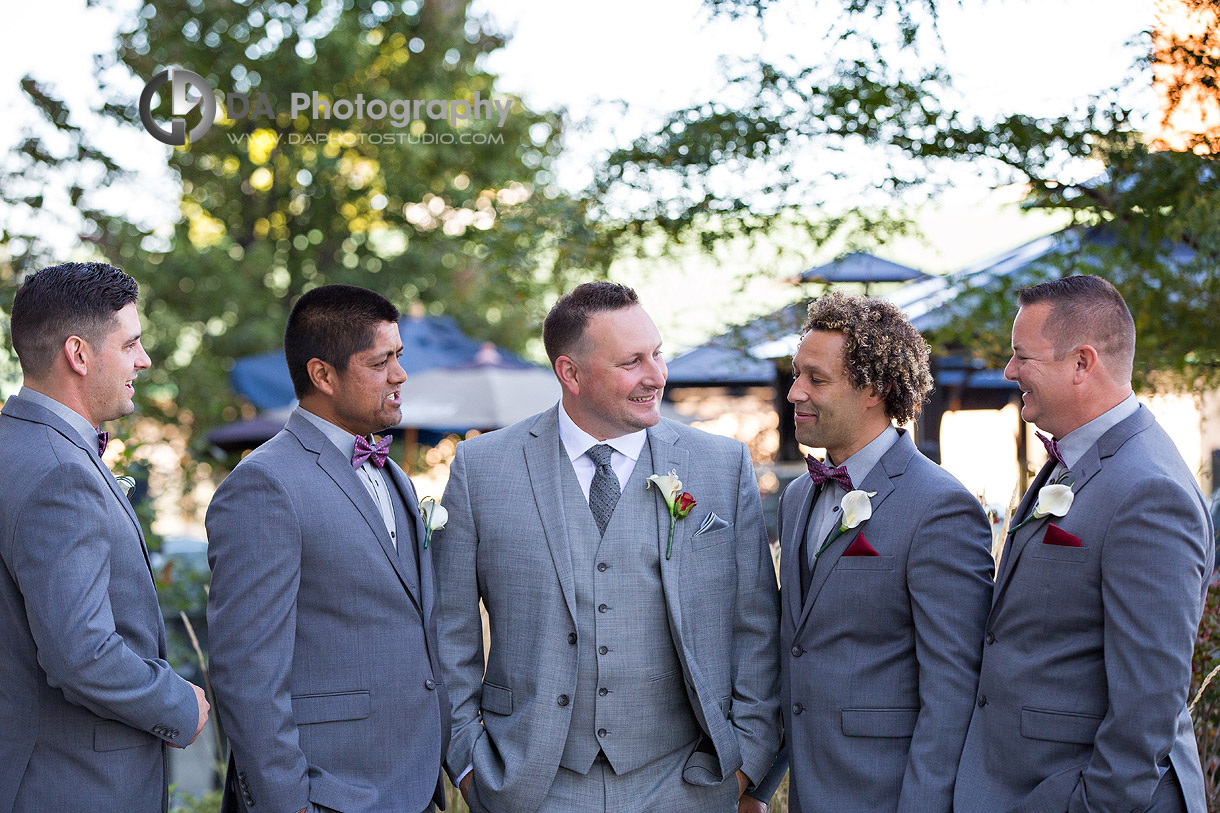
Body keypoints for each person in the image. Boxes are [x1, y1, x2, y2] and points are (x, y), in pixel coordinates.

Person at [434, 281, 781, 812]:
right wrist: (467, 763)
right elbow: (449, 630)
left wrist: (745, 765)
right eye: (631, 362)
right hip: (528, 785)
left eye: (657, 354)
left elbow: (755, 624)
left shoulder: (720, 465)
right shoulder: (482, 470)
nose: (656, 375)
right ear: (569, 373)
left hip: (686, 782)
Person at [955, 275, 1214, 812]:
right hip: (1028, 784)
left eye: (1022, 357)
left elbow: (1149, 703)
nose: (1009, 372)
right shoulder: (1075, 458)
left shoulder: (1149, 490)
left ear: (1081, 363)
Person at [205, 284, 450, 813]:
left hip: (412, 787)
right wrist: (289, 803)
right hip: (328, 793)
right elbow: (245, 671)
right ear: (322, 375)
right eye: (380, 361)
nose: (400, 375)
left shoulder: (397, 477)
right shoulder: (264, 485)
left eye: (399, 357)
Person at [747, 292, 994, 812]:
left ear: (875, 389)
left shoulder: (940, 507)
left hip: (889, 795)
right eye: (796, 376)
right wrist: (759, 786)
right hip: (810, 794)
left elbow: (954, 692)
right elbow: (796, 653)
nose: (794, 393)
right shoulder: (797, 497)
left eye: (816, 379)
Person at [0, 262, 209, 811]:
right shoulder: (59, 473)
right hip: (73, 784)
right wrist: (179, 704)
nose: (143, 360)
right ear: (79, 354)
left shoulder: (14, 448)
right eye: (131, 344)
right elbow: (81, 653)